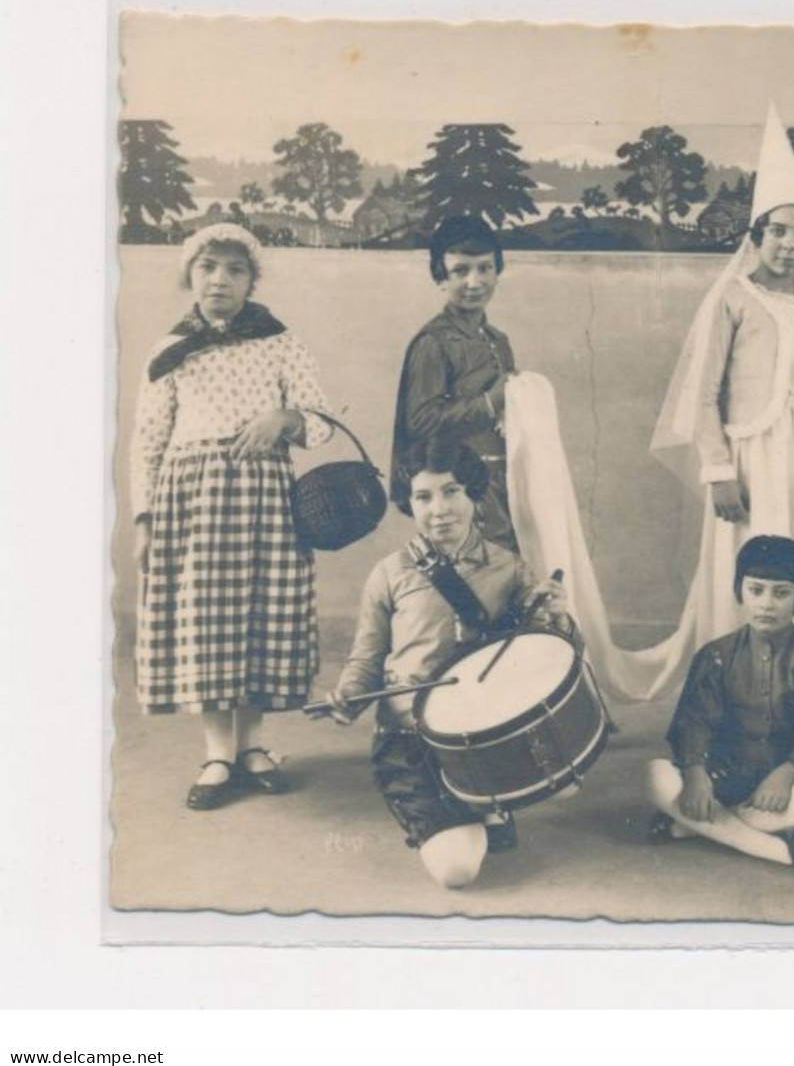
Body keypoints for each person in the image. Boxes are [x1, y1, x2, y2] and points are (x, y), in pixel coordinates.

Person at [644, 104, 794, 694]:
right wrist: (718, 471)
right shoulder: (733, 301)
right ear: (757, 237)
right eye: (779, 232)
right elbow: (703, 395)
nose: (791, 246)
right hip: (754, 457)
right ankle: (745, 696)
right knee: (757, 570)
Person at [131, 223, 332, 810]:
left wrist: (284, 420)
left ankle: (254, 746)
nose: (219, 279)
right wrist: (143, 519)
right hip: (192, 502)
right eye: (208, 266)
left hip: (266, 497)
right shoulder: (169, 351)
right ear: (190, 275)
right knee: (208, 620)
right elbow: (146, 441)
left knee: (264, 615)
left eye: (234, 269)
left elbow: (319, 417)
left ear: (251, 279)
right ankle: (218, 752)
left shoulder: (279, 341)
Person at [323, 438, 567, 890]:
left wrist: (555, 615)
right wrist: (348, 698)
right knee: (457, 870)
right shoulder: (390, 573)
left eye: (452, 491)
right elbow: (366, 658)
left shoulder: (509, 567)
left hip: (481, 741)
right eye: (423, 496)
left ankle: (477, 809)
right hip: (409, 741)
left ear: (473, 494)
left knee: (559, 780)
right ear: (408, 503)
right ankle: (471, 814)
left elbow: (545, 651)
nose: (439, 509)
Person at [645, 535, 794, 866]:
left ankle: (695, 827)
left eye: (781, 593)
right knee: (655, 774)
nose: (766, 604)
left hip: (784, 787)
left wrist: (788, 773)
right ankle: (778, 850)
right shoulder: (716, 656)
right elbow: (694, 723)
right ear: (740, 590)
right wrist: (696, 774)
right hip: (723, 778)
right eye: (756, 590)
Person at [392, 214, 519, 551]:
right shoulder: (433, 342)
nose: (474, 282)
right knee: (476, 575)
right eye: (460, 271)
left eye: (484, 268)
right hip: (460, 485)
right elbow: (420, 421)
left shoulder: (498, 340)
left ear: (498, 271)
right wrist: (491, 401)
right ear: (440, 278)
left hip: (506, 481)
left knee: (511, 571)